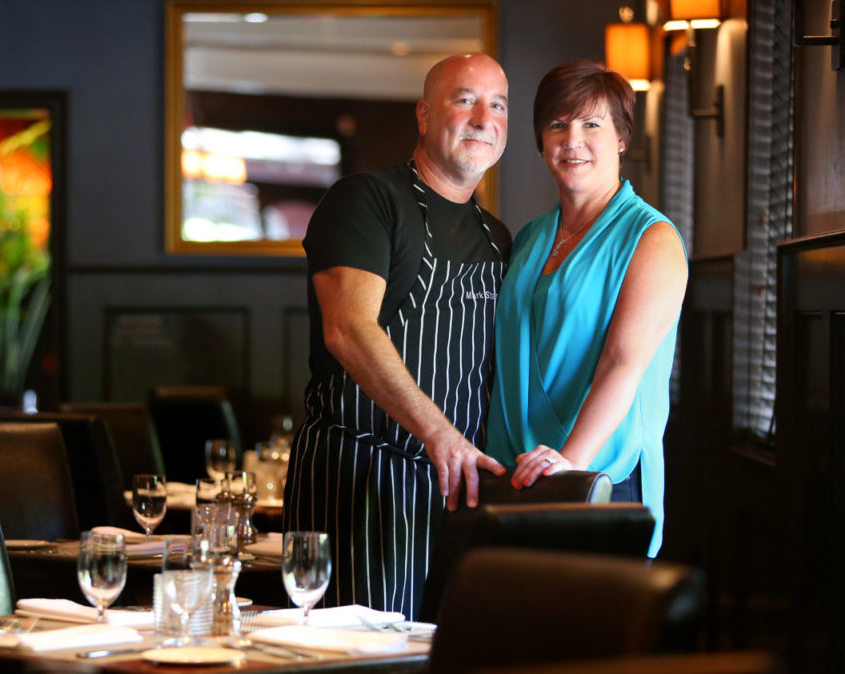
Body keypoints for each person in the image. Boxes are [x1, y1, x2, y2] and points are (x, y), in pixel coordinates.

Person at [283, 53, 512, 619]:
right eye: (465, 99)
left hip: (455, 490)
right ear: (424, 114)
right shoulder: (366, 200)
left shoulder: (498, 237)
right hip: (361, 475)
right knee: (365, 659)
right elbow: (348, 328)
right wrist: (440, 434)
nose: (485, 117)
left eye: (499, 104)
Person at [484, 60, 688, 557]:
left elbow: (624, 363)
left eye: (591, 124)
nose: (572, 139)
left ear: (621, 138)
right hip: (514, 477)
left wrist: (569, 463)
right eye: (557, 124)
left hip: (598, 480)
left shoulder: (652, 238)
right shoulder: (530, 236)